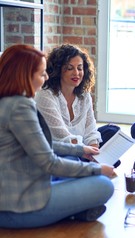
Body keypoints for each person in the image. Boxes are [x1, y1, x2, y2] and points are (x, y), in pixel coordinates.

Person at [0, 44, 115, 228]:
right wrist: (98, 170)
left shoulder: (8, 101)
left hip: (14, 195)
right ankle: (74, 211)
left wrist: (80, 149)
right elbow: (49, 162)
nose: (46, 77)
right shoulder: (20, 106)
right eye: (41, 73)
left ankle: (76, 209)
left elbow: (42, 144)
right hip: (17, 208)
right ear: (24, 75)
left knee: (94, 149)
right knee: (104, 185)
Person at [34, 44, 120, 164]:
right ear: (58, 70)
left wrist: (95, 151)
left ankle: (90, 161)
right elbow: (61, 136)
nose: (76, 73)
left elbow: (90, 129)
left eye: (80, 68)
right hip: (59, 149)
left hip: (83, 147)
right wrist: (85, 151)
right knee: (71, 158)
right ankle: (86, 162)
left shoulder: (84, 95)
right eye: (70, 68)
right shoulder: (45, 95)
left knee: (112, 131)